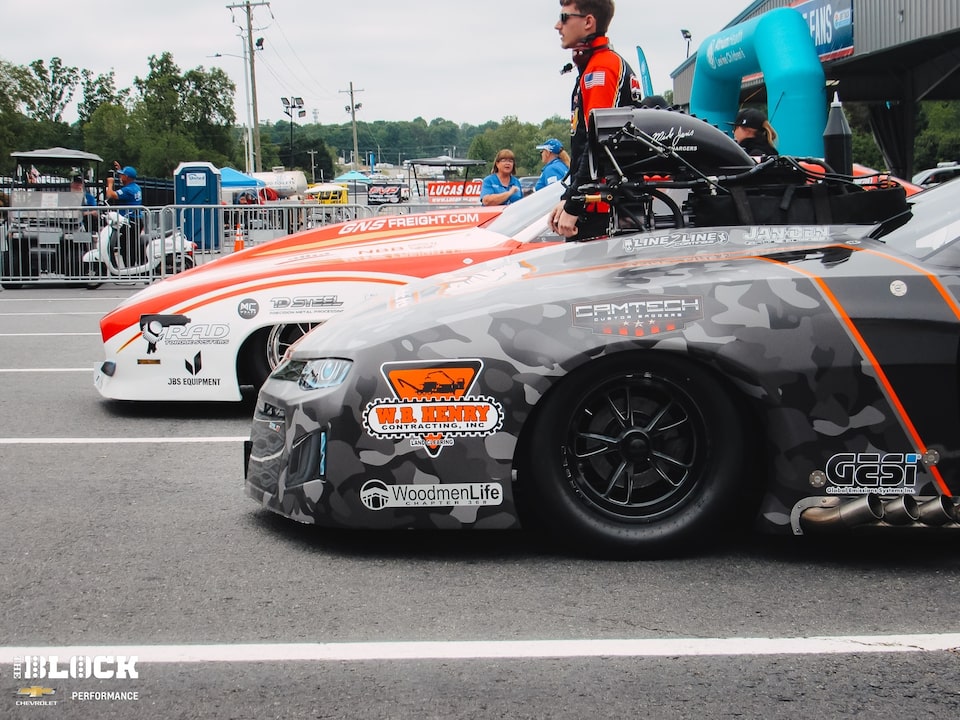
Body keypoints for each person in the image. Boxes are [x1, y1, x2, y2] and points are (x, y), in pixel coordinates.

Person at [550, 0, 643, 240]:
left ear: (588, 22)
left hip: (604, 206)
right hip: (602, 200)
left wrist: (575, 204)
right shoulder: (596, 64)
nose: (557, 25)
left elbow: (599, 143)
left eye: (564, 17)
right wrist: (569, 198)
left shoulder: (601, 67)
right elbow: (584, 145)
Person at [105, 162, 145, 265]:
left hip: (130, 221)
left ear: (126, 177)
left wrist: (110, 183)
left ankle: (130, 268)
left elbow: (110, 194)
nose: (120, 177)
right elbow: (124, 182)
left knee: (127, 246)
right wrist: (120, 170)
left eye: (122, 175)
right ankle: (135, 267)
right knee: (132, 245)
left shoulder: (128, 190)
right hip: (136, 220)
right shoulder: (136, 187)